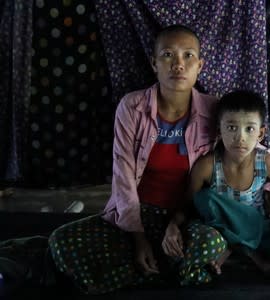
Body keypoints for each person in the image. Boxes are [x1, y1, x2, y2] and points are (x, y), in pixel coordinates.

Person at [48, 24, 229, 294]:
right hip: (136, 214)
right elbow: (122, 174)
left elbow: (251, 150)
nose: (178, 64)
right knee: (60, 242)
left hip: (187, 218)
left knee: (211, 244)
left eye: (188, 55)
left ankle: (140, 272)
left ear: (200, 65)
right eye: (168, 55)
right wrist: (139, 238)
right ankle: (171, 271)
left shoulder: (215, 109)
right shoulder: (132, 107)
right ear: (154, 63)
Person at [188, 90, 270, 285]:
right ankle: (257, 254)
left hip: (257, 224)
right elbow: (190, 205)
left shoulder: (264, 161)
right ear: (219, 129)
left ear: (261, 133)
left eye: (249, 129)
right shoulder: (207, 165)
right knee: (203, 199)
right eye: (231, 127)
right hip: (225, 228)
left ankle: (245, 250)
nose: (240, 137)